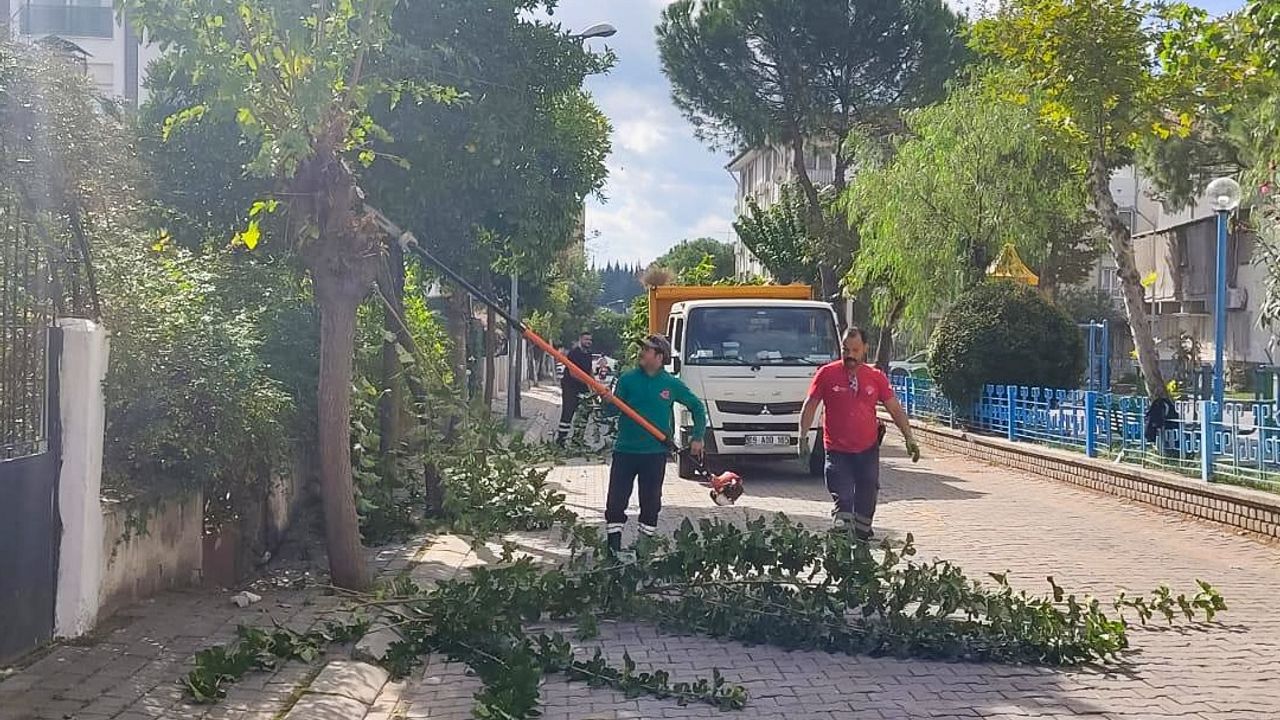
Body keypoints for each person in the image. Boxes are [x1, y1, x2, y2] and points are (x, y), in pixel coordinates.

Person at [797, 327, 920, 540]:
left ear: (865, 349)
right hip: (837, 451)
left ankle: (862, 545)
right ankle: (840, 545)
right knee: (844, 500)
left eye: (855, 350)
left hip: (867, 451)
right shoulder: (826, 374)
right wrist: (802, 438)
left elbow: (895, 409)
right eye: (846, 350)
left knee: (866, 500)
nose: (850, 355)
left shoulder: (875, 377)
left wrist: (909, 437)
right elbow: (810, 406)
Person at [605, 334, 707, 554]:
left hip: (655, 453)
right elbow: (612, 412)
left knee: (650, 503)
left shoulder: (671, 384)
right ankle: (612, 552)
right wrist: (607, 399)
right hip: (625, 451)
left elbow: (698, 408)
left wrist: (698, 437)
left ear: (659, 356)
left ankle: (643, 550)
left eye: (647, 349)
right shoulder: (627, 379)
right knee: (615, 502)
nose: (641, 353)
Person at [556, 331, 595, 446]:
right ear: (580, 340)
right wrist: (588, 382)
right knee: (568, 412)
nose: (588, 342)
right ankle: (561, 440)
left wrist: (594, 385)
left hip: (583, 387)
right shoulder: (574, 353)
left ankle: (577, 439)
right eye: (586, 339)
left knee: (585, 411)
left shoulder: (589, 354)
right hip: (570, 386)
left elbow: (590, 370)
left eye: (590, 340)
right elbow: (573, 373)